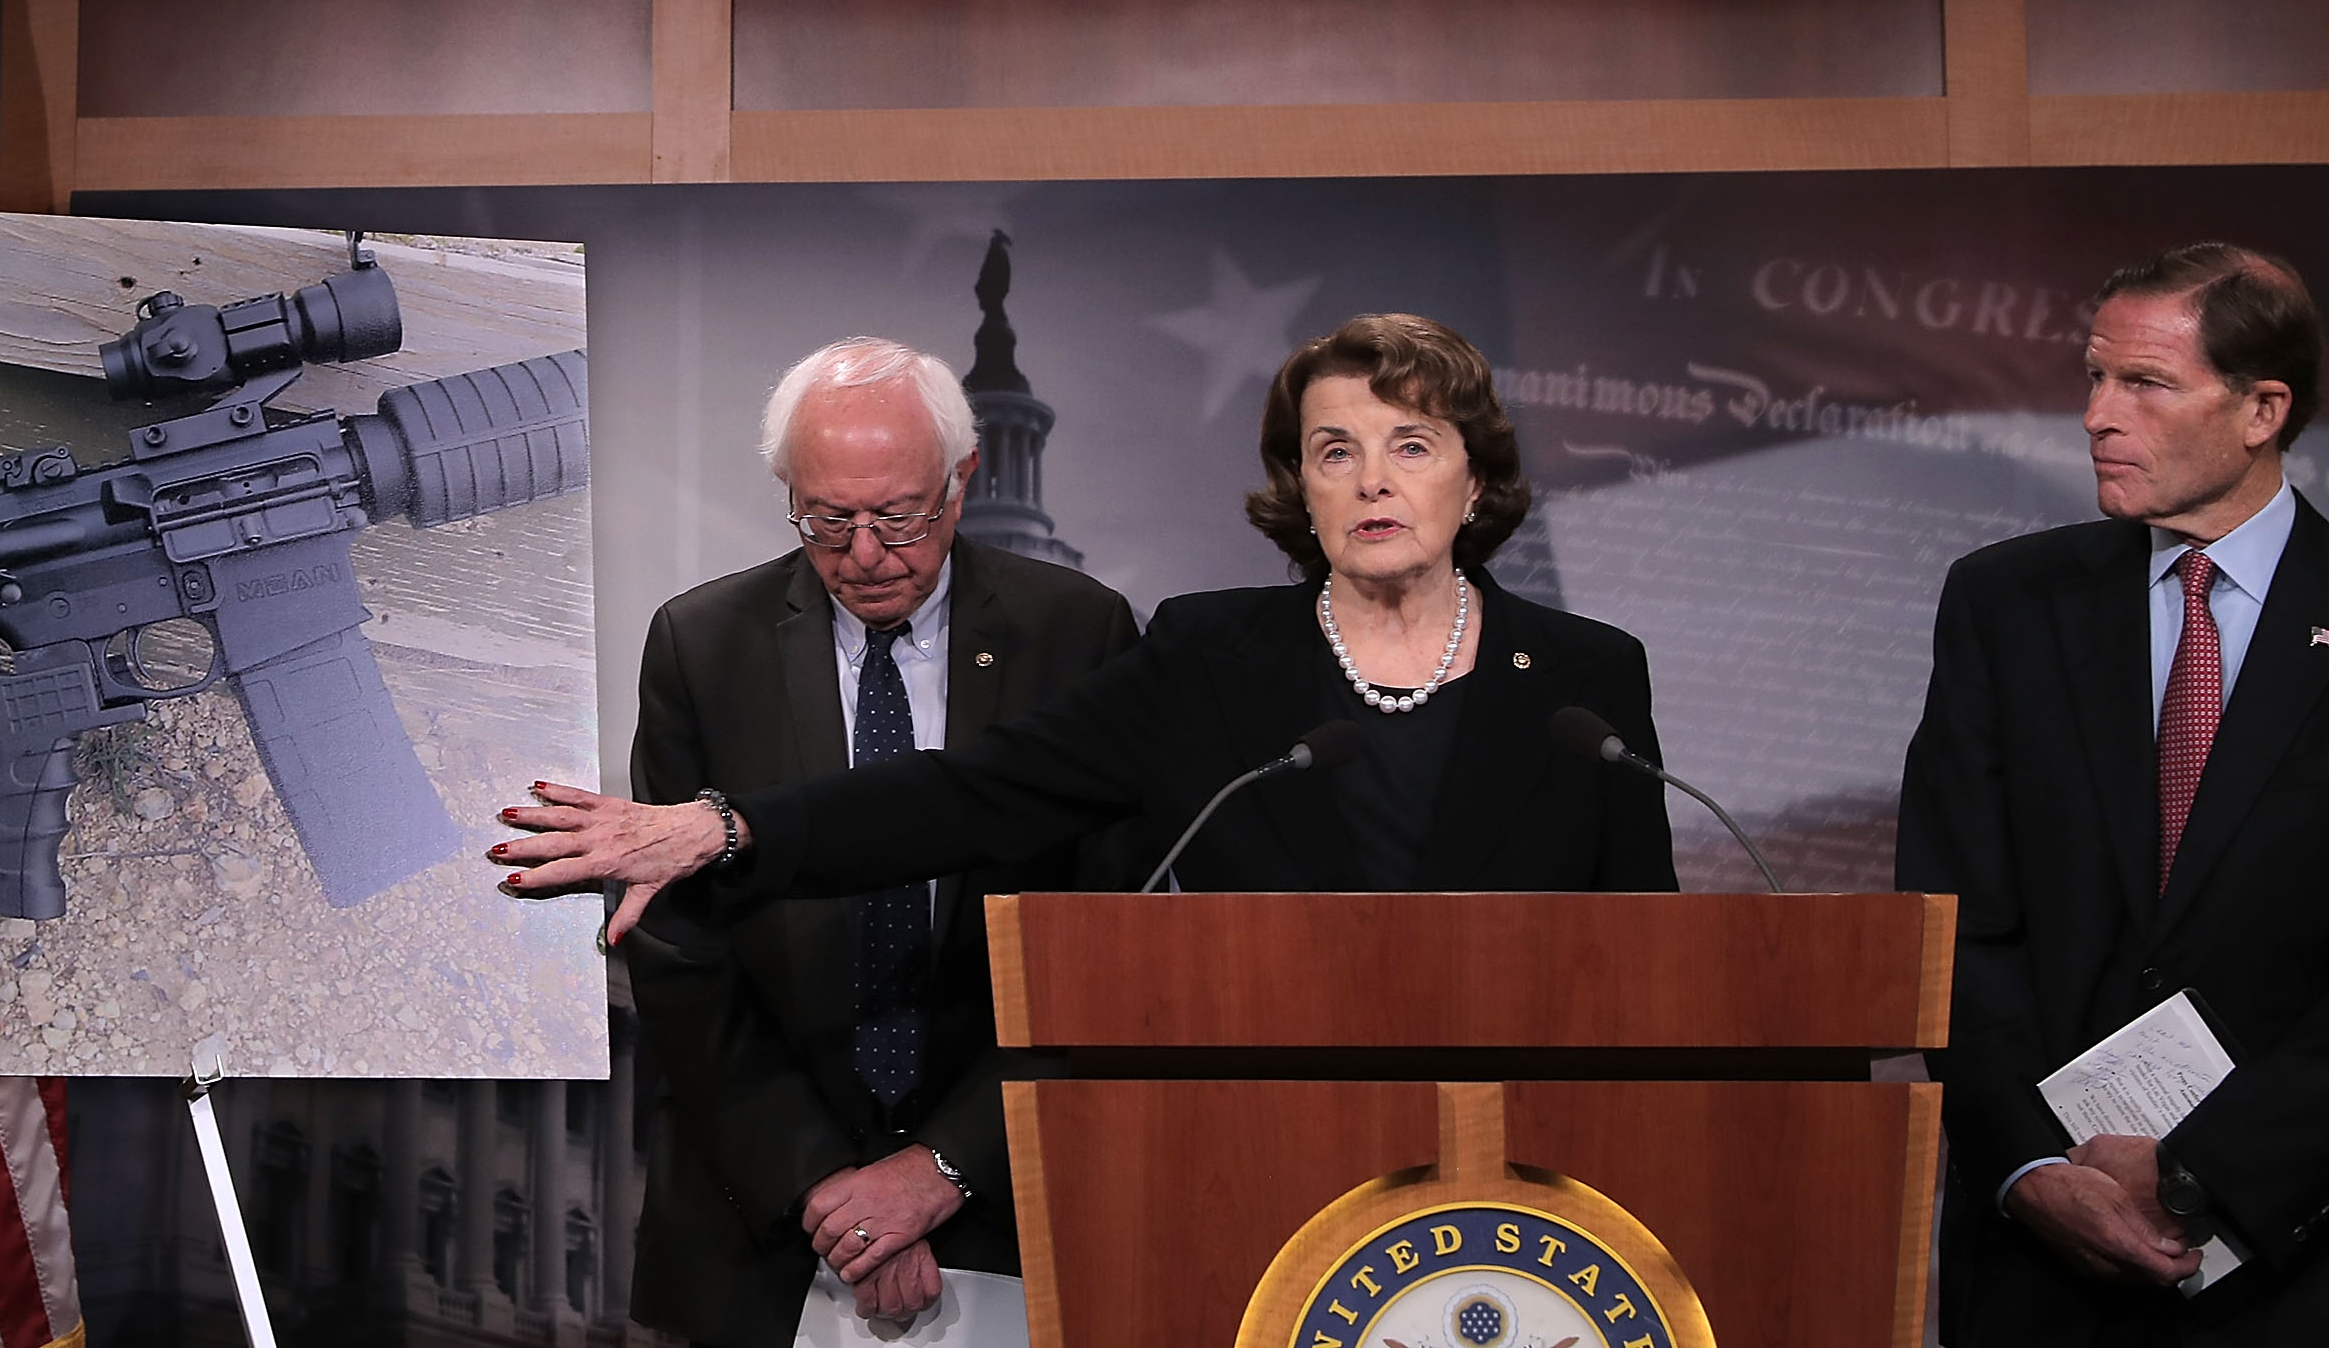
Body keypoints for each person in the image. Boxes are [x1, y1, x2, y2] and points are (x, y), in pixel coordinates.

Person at [496, 312, 1678, 1293]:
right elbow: (968, 794)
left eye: (1410, 444)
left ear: (1475, 473)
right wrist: (728, 824)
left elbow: (1654, 979)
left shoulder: (1585, 681)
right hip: (1260, 1196)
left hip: (1524, 1210)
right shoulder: (1208, 656)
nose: (1372, 478)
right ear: (1297, 485)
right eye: (1333, 449)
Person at [621, 337, 1140, 1348]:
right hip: (760, 1228)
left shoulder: (1083, 635)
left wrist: (940, 1168)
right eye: (826, 517)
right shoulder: (701, 641)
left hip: (1011, 1211)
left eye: (898, 514)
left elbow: (1107, 944)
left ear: (961, 482)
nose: (863, 551)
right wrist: (834, 1192)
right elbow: (677, 951)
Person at [1898, 243, 2329, 1346]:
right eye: (2093, 376)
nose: (2096, 413)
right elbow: (1953, 922)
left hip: (2292, 1258)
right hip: (2042, 1261)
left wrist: (2200, 1168)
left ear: (2261, 408)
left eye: (2143, 382)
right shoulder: (2004, 602)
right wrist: (2033, 1164)